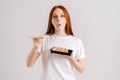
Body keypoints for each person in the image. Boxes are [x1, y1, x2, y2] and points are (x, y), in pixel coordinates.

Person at [26, 5, 86, 80]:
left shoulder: (76, 41)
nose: (58, 19)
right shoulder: (44, 39)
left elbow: (81, 69)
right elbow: (29, 64)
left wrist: (71, 58)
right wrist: (35, 47)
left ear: (67, 19)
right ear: (51, 20)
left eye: (62, 16)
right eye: (55, 16)